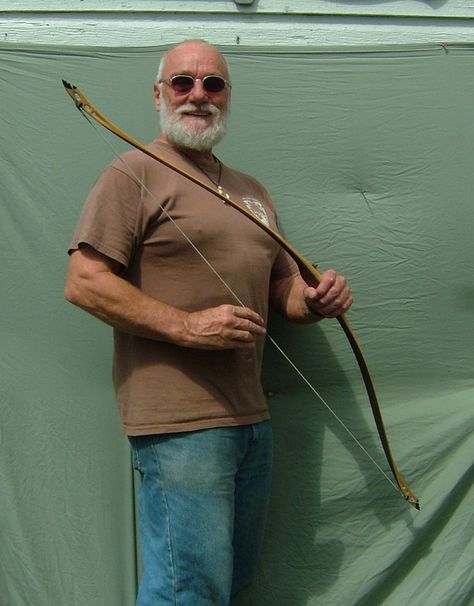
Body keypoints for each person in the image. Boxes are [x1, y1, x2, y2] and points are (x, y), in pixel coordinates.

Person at [64, 39, 353, 606]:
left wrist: (313, 299)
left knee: (231, 582)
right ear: (158, 94)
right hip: (180, 427)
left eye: (213, 83)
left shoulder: (252, 191)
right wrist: (187, 327)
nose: (198, 94)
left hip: (251, 418)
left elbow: (281, 293)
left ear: (227, 97)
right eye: (182, 82)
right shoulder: (132, 172)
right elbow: (84, 281)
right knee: (186, 591)